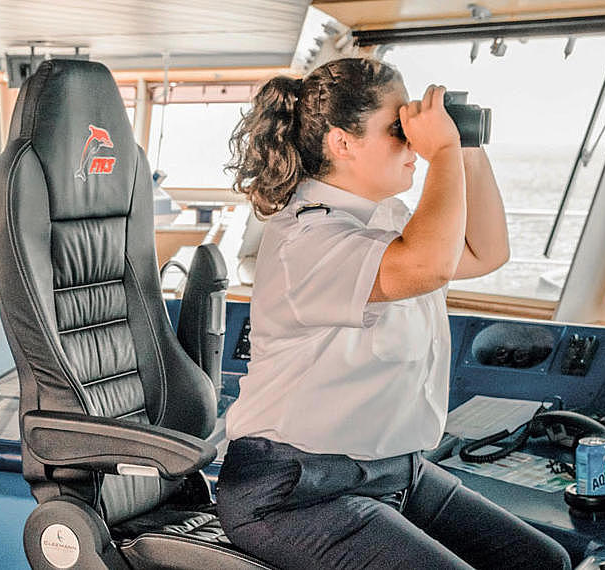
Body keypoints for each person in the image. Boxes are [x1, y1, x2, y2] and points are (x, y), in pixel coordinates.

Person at [213, 57, 569, 569]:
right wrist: (442, 151)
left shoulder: (385, 217)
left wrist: (464, 145)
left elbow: (485, 252)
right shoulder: (307, 237)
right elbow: (427, 264)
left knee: (541, 562)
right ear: (342, 142)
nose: (414, 144)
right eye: (398, 129)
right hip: (294, 490)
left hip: (396, 472)